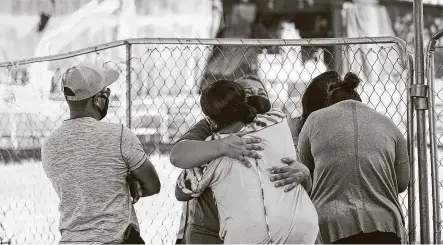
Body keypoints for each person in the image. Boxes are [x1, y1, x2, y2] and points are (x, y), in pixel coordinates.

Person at [170, 75, 311, 244]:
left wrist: (304, 173)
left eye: (262, 93)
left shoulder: (276, 129)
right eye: (248, 93)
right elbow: (178, 155)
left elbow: (305, 188)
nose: (256, 97)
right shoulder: (211, 126)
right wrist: (223, 145)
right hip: (211, 231)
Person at [42, 65, 161, 244]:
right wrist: (127, 181)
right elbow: (153, 185)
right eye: (106, 93)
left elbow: (82, 184)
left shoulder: (49, 145)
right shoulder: (119, 135)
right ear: (98, 100)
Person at [298, 72, 410, 244]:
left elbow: (305, 175)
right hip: (386, 226)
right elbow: (402, 183)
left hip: (332, 226)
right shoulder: (388, 123)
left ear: (328, 105)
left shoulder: (313, 120)